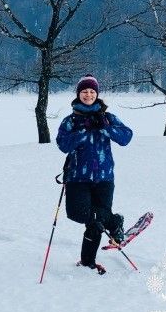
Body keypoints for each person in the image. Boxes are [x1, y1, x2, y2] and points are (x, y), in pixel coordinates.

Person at [56, 75, 132, 274]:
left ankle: (87, 262)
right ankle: (114, 222)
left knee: (95, 223)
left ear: (96, 94)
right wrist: (83, 131)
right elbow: (63, 145)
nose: (88, 95)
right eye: (84, 91)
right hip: (77, 177)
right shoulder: (70, 120)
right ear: (78, 94)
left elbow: (126, 137)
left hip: (104, 178)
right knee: (77, 213)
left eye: (92, 91)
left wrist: (105, 127)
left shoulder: (108, 117)